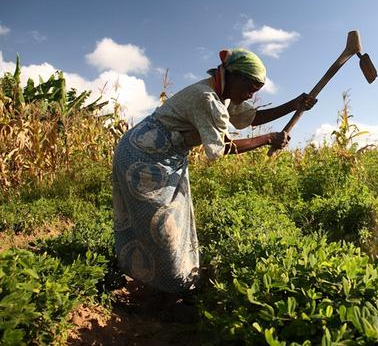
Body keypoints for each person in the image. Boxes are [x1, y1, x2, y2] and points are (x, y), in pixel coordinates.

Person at [111, 48, 316, 301]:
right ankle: (166, 288)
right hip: (143, 158)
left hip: (164, 156)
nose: (252, 94)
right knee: (162, 226)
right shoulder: (207, 98)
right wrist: (268, 138)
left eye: (257, 89)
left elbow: (249, 118)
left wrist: (294, 105)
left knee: (173, 220)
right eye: (250, 86)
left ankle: (165, 284)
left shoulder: (224, 96)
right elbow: (222, 149)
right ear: (232, 75)